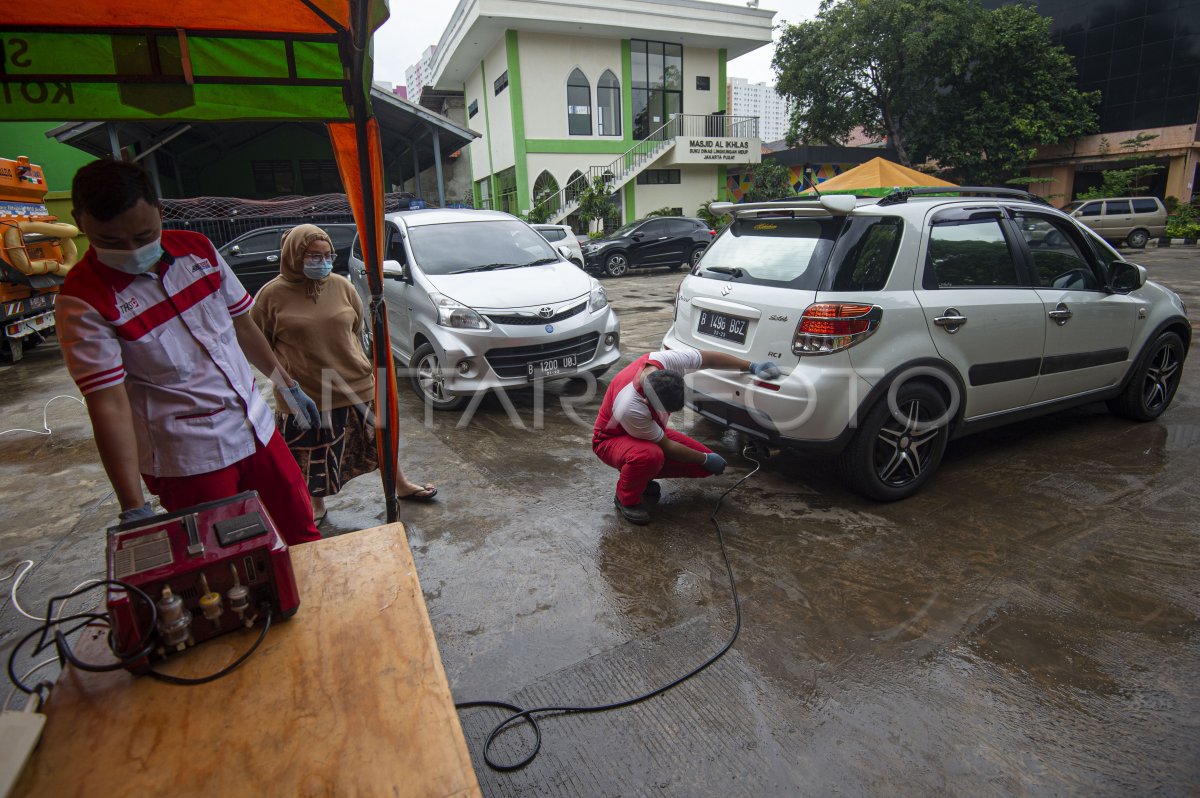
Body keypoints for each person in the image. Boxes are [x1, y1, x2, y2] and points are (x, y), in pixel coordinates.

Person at [55, 159, 322, 545]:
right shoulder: (82, 301)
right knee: (232, 557)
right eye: (112, 242)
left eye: (145, 235)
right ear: (80, 222)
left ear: (160, 212)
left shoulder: (197, 251)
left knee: (301, 528)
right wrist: (133, 504)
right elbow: (107, 404)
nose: (132, 250)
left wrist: (287, 384)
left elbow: (242, 326)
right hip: (190, 459)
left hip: (256, 427)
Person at [251, 223, 436, 524]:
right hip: (306, 392)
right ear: (294, 255)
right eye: (313, 255)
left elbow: (356, 326)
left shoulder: (341, 285)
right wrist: (286, 383)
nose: (322, 262)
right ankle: (316, 502)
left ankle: (399, 485)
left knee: (380, 441)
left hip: (356, 383)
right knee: (312, 453)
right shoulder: (270, 297)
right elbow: (258, 344)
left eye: (327, 255)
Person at [592, 349, 780, 524]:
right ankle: (626, 498)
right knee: (650, 456)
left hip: (646, 432)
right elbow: (667, 447)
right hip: (610, 440)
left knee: (701, 468)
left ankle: (639, 478)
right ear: (646, 399)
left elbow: (709, 358)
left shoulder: (666, 361)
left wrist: (751, 366)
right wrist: (705, 459)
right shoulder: (630, 406)